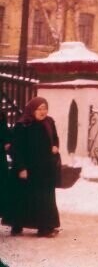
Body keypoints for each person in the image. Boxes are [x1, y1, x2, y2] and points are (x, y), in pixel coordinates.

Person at [2, 97, 61, 237]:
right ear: (32, 110)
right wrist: (21, 168)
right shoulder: (23, 126)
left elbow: (55, 137)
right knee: (23, 197)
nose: (43, 112)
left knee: (45, 198)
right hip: (27, 168)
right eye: (39, 109)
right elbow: (16, 149)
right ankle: (17, 224)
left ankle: (45, 228)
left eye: (45, 108)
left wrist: (55, 146)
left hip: (44, 168)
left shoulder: (49, 122)